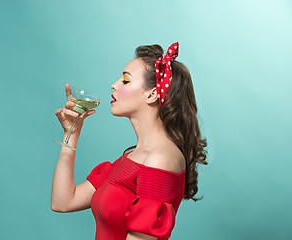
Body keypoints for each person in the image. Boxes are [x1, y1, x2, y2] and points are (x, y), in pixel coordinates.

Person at [51, 42, 208, 240]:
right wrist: (71, 135)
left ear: (152, 94)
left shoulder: (161, 159)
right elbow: (63, 201)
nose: (114, 85)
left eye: (125, 81)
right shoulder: (132, 158)